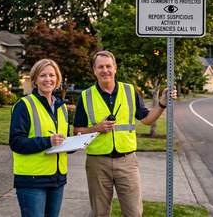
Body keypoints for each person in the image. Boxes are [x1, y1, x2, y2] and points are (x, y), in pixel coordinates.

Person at [73, 50, 177, 217]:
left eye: (108, 66)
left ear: (115, 68)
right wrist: (97, 128)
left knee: (134, 213)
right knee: (100, 213)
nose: (104, 70)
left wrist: (163, 103)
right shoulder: (85, 96)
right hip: (97, 163)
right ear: (94, 70)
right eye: (100, 67)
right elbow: (77, 131)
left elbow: (147, 120)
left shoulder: (129, 91)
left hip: (127, 162)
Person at [9, 59, 77, 217]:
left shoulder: (61, 108)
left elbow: (61, 142)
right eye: (43, 75)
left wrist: (75, 143)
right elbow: (16, 142)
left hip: (57, 180)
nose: (48, 79)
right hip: (32, 181)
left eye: (52, 75)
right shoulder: (24, 105)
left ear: (57, 79)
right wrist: (48, 141)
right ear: (34, 79)